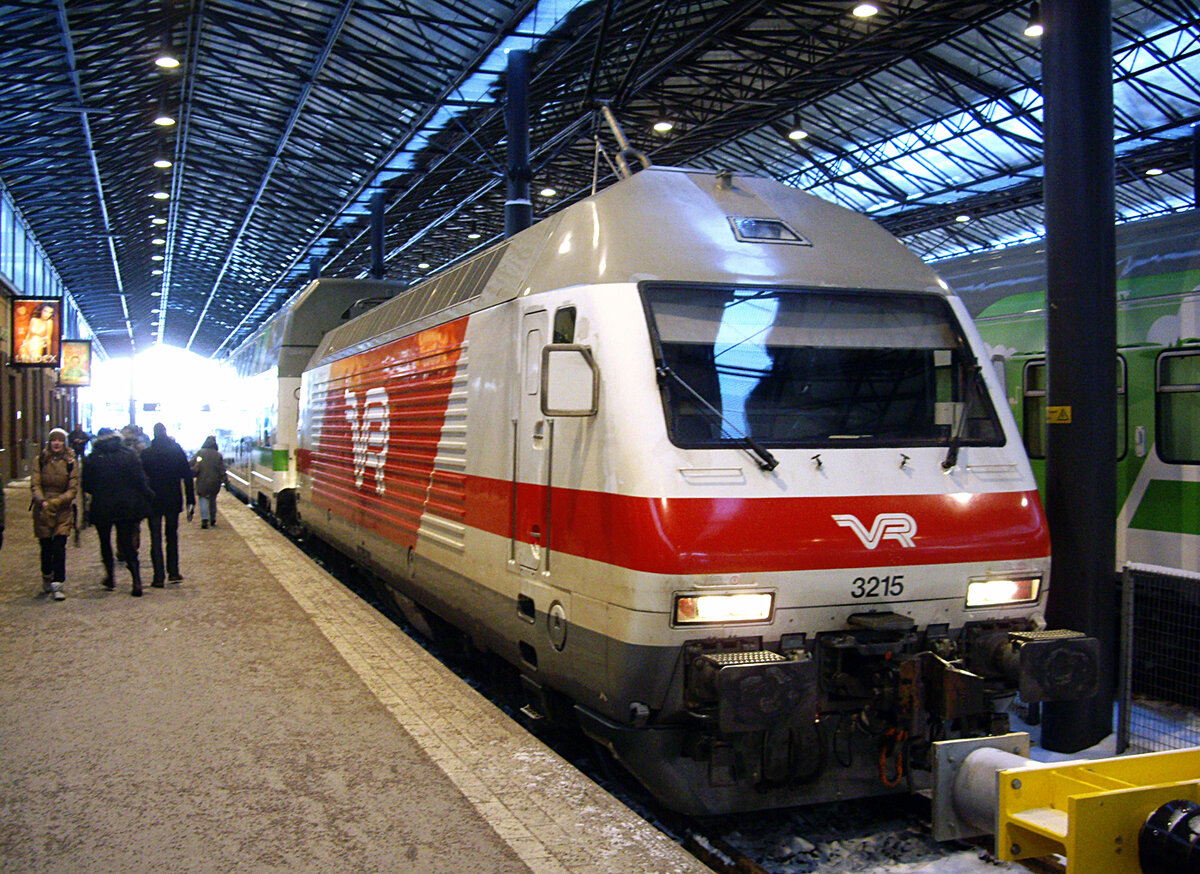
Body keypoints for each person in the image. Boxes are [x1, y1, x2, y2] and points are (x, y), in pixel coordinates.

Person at [83, 428, 154, 597]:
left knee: (105, 542)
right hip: (125, 505)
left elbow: (86, 485)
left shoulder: (93, 458)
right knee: (126, 543)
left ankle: (110, 577)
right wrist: (147, 495)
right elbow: (139, 478)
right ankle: (136, 580)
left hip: (102, 505)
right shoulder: (128, 454)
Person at [140, 423, 195, 587]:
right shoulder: (176, 452)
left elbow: (141, 479)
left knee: (155, 539)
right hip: (173, 500)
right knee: (172, 536)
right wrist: (191, 499)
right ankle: (173, 572)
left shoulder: (147, 454)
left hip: (153, 501)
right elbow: (187, 476)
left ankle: (158, 577)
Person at [31, 427, 79, 601]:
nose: (56, 443)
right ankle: (46, 575)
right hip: (43, 510)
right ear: (50, 442)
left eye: (59, 440)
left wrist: (58, 501)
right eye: (54, 440)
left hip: (62, 510)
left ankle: (58, 583)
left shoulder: (71, 462)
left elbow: (73, 488)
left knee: (59, 546)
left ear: (64, 442)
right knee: (46, 547)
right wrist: (42, 501)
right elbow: (35, 484)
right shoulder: (40, 460)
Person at [191, 436, 226, 529]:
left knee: (203, 499)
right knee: (212, 500)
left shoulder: (200, 453)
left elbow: (191, 463)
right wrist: (225, 481)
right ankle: (213, 518)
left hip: (202, 481)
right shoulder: (218, 455)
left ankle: (205, 519)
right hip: (215, 482)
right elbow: (222, 469)